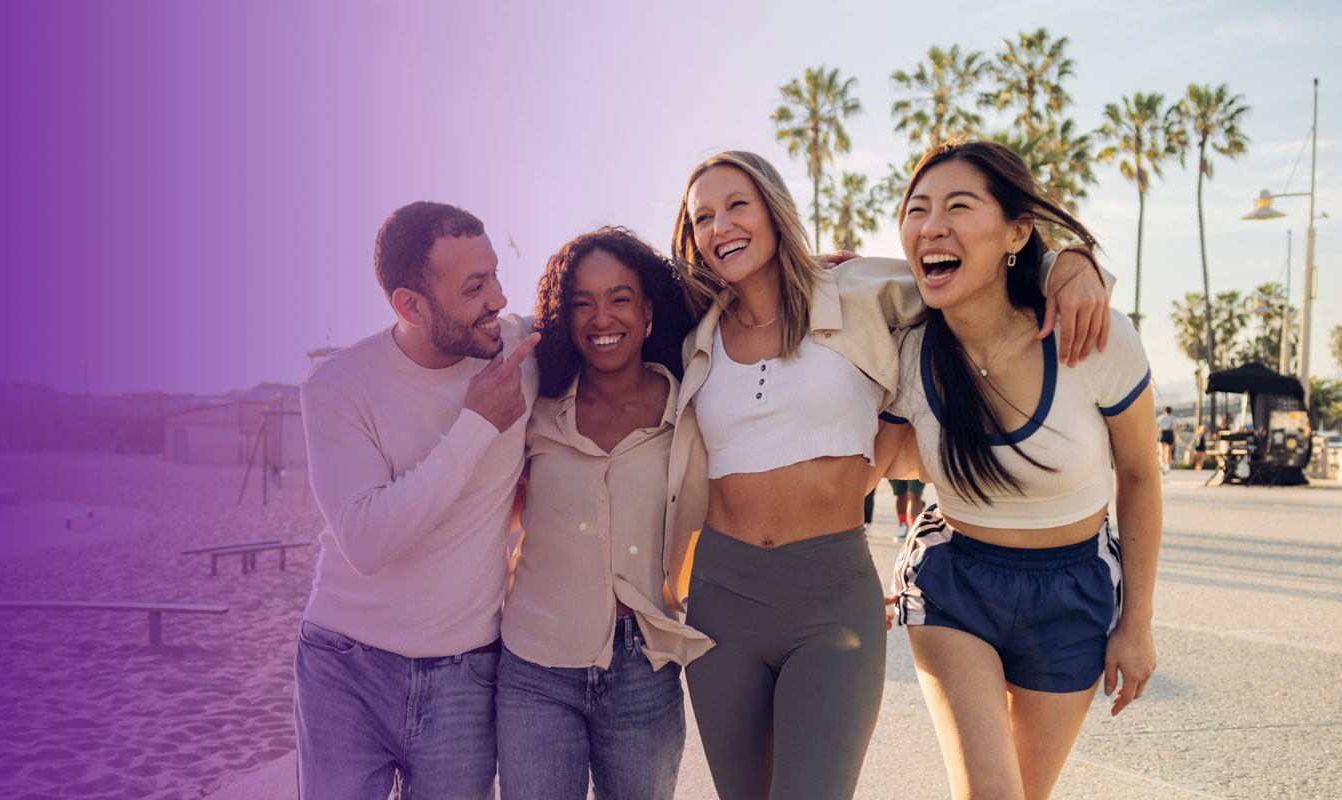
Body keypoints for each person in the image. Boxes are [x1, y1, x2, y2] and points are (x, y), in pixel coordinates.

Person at [664, 151, 1114, 800]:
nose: (721, 225)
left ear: (772, 210)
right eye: (703, 216)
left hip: (829, 599)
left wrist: (1069, 264)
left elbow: (974, 271)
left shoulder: (860, 291)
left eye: (738, 204)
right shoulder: (690, 328)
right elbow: (594, 320)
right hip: (721, 600)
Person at [879, 140, 1164, 800]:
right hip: (954, 580)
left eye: (958, 205)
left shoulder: (1092, 335)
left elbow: (1142, 478)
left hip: (1074, 593)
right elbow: (865, 464)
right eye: (916, 209)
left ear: (1016, 231)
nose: (932, 225)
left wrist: (1138, 625)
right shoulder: (909, 350)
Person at [296, 201, 538, 798]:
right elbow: (366, 541)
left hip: (468, 672)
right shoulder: (338, 385)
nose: (498, 301)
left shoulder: (523, 352)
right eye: (474, 287)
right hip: (343, 669)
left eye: (496, 277)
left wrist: (798, 275)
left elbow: (631, 309)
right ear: (409, 306)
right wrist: (476, 424)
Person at [499, 227, 709, 800]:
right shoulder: (536, 410)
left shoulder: (692, 411)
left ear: (647, 311)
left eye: (619, 298)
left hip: (645, 670)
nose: (601, 317)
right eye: (581, 303)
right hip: (534, 667)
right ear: (562, 317)